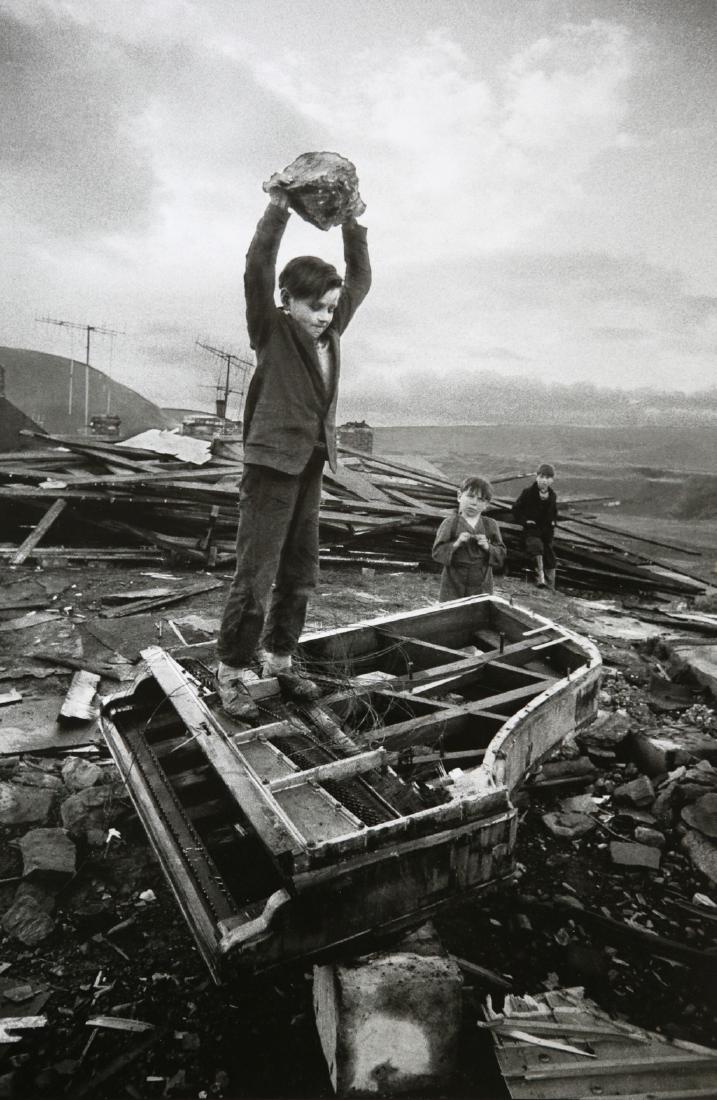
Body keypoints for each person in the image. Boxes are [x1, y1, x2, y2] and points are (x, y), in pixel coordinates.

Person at [215, 184, 371, 719]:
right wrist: (279, 208)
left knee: (300, 571)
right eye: (315, 307)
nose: (326, 315)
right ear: (287, 301)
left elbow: (361, 279)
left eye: (331, 307)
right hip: (270, 468)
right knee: (255, 576)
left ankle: (279, 661)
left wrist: (352, 222)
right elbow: (258, 264)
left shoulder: (331, 331)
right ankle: (232, 672)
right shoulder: (271, 329)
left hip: (309, 466)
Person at [432, 476, 506, 601]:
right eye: (470, 496)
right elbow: (437, 552)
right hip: (453, 581)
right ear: (459, 496)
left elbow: (501, 553)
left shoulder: (490, 525)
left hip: (481, 581)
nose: (474, 503)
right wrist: (456, 543)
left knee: (478, 614)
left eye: (480, 499)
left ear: (486, 505)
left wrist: (488, 547)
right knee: (452, 613)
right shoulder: (450, 523)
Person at [512, 463, 558, 589]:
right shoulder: (528, 493)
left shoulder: (552, 496)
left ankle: (551, 586)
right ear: (537, 477)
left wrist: (552, 524)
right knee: (536, 547)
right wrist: (525, 521)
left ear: (552, 480)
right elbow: (516, 509)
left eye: (548, 477)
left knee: (550, 557)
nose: (544, 480)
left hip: (545, 534)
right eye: (542, 476)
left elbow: (554, 513)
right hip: (531, 531)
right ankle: (540, 579)